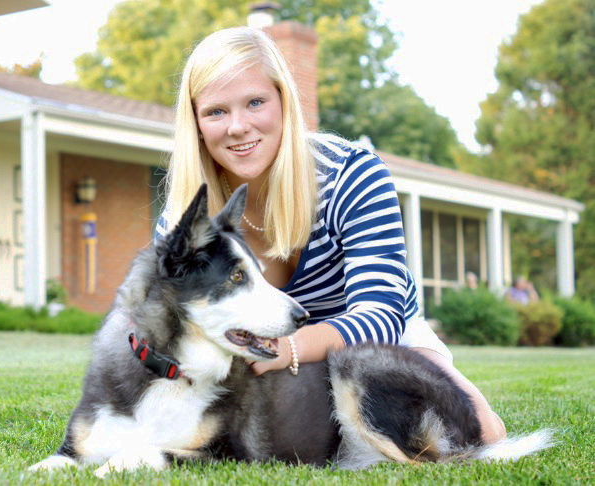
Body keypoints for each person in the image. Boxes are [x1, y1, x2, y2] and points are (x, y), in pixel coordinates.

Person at [156, 26, 506, 444]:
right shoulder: (186, 217)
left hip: (372, 340)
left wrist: (292, 348)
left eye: (255, 102)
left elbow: (380, 314)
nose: (238, 126)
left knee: (482, 433)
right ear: (195, 122)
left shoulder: (352, 174)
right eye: (216, 111)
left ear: (284, 102)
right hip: (253, 346)